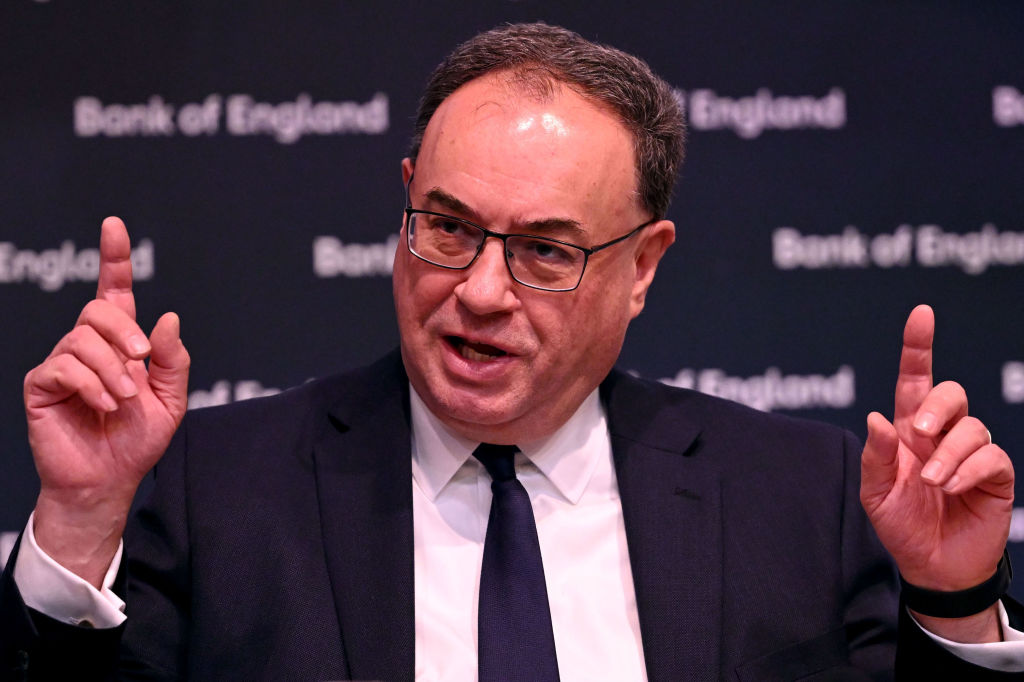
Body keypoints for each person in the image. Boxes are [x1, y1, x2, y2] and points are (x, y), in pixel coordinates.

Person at [2, 22, 1022, 681]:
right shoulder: (219, 488)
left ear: (643, 266)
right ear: (407, 196)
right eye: (448, 226)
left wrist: (954, 606)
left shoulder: (798, 499)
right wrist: (81, 524)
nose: (481, 291)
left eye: (544, 250)